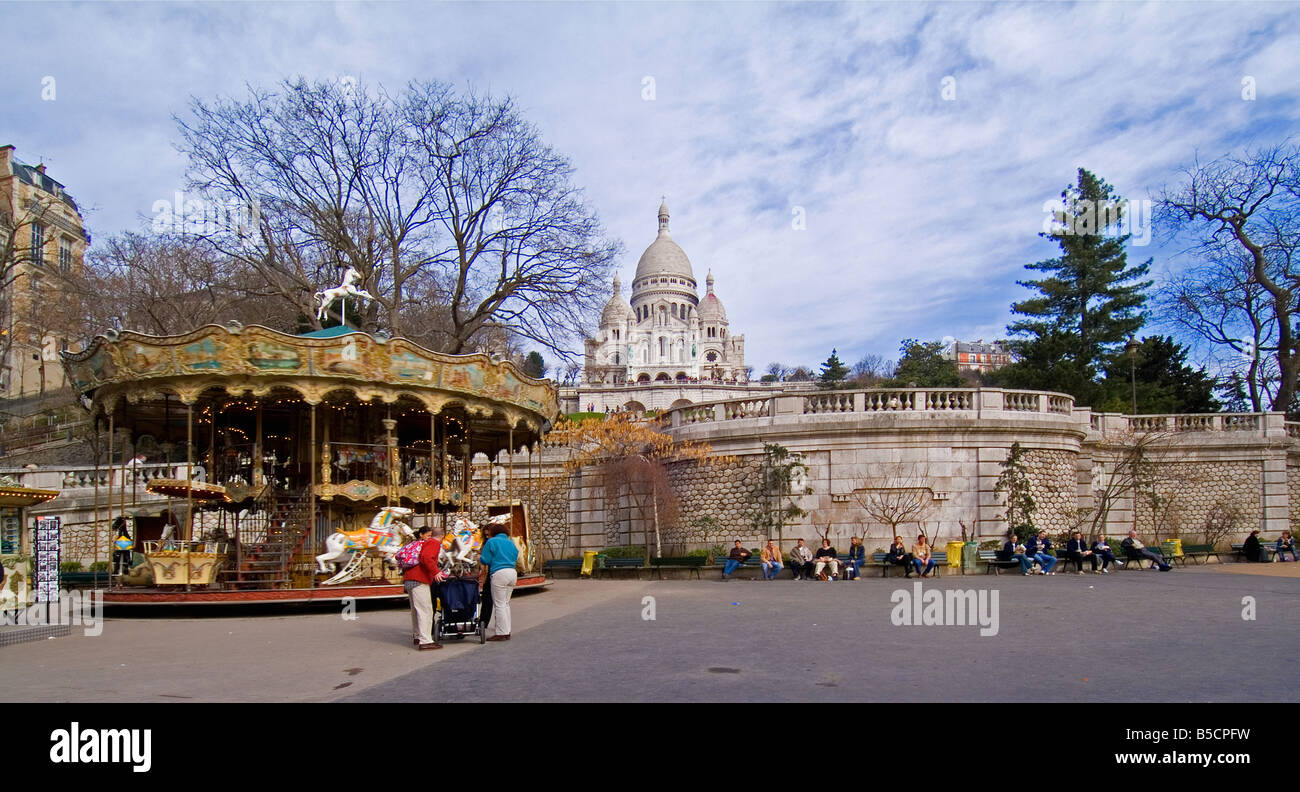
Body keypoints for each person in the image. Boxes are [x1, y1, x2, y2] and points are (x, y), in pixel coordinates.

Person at [403, 526, 445, 651]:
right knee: (425, 610)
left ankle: (417, 635)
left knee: (416, 609)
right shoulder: (433, 542)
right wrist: (436, 571)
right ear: (442, 536)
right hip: (420, 578)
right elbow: (426, 557)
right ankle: (425, 640)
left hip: (410, 577)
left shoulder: (420, 543)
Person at [478, 522, 520, 641]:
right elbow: (516, 555)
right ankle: (507, 630)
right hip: (512, 572)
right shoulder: (511, 543)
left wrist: (479, 558)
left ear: (493, 532)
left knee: (499, 604)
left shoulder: (492, 542)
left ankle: (501, 632)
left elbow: (486, 559)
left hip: (499, 573)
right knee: (506, 604)